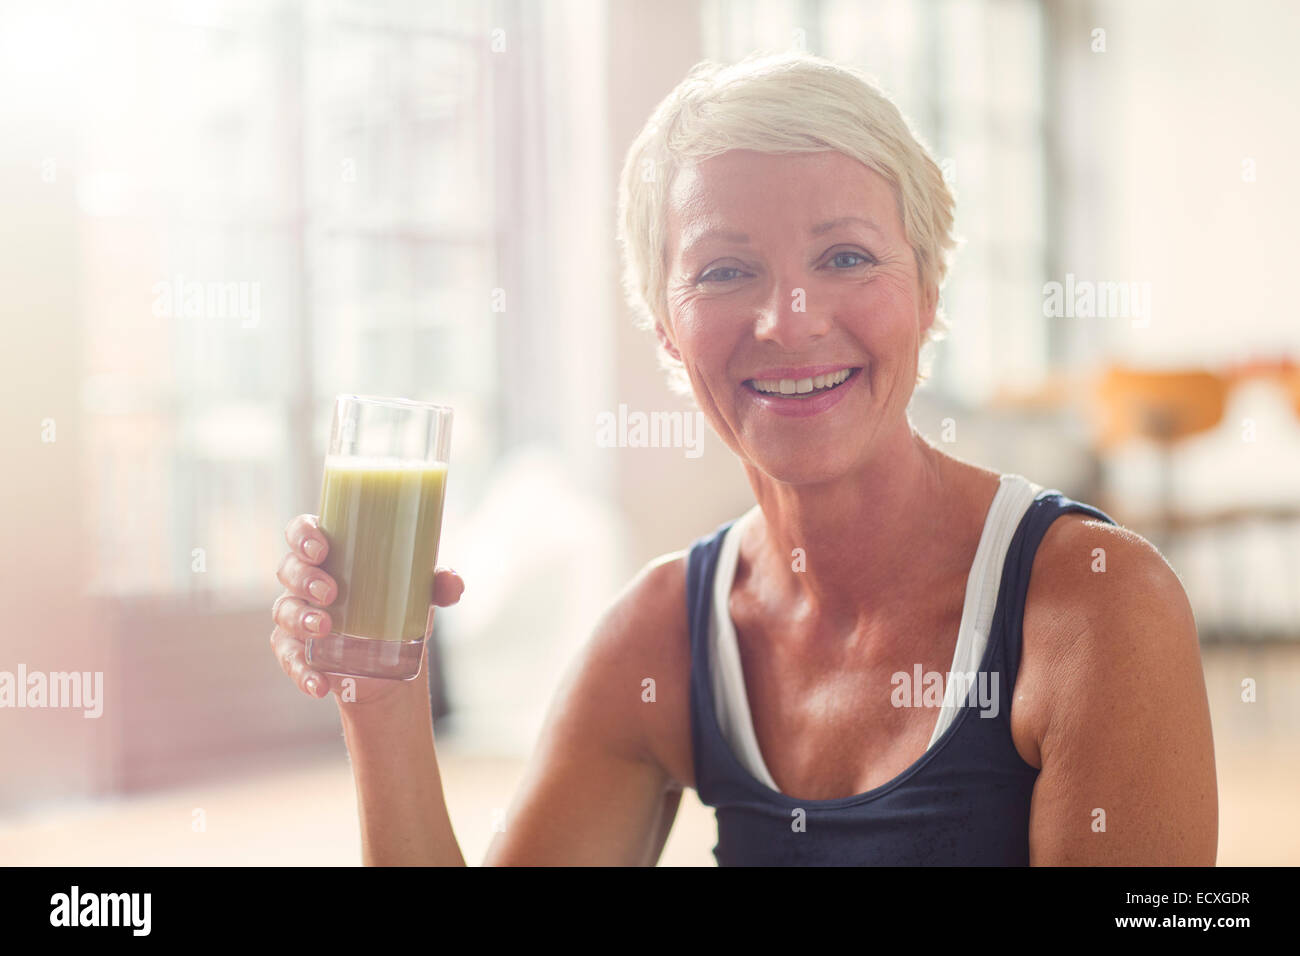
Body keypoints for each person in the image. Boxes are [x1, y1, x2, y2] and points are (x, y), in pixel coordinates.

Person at [269, 50, 1216, 865]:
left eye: (845, 257)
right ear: (667, 331)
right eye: (726, 271)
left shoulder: (1096, 606)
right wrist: (379, 694)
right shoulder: (664, 634)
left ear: (928, 292)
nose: (790, 320)